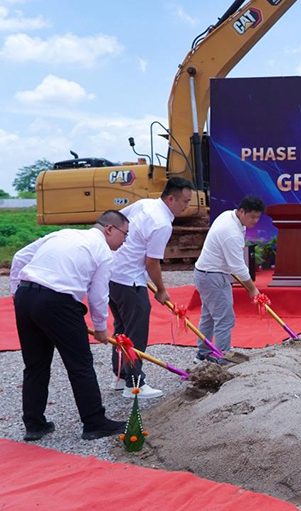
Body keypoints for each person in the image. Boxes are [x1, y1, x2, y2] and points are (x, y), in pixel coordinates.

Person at [10, 210, 130, 441]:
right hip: (58, 301)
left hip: (26, 296)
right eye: (125, 234)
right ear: (110, 229)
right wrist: (101, 327)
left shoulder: (62, 234)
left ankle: (34, 424)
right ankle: (94, 422)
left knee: (35, 364)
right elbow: (98, 295)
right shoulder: (103, 252)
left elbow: (20, 257)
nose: (125, 241)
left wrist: (16, 290)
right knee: (80, 364)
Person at [109, 177, 194, 399]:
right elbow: (152, 262)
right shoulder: (162, 224)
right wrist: (161, 289)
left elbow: (117, 220)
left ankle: (120, 376)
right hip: (130, 280)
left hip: (112, 275)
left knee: (121, 329)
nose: (186, 206)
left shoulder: (145, 203)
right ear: (171, 198)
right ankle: (134, 383)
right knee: (135, 333)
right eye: (184, 201)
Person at [194, 195, 264, 363]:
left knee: (209, 315)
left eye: (258, 217)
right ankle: (222, 358)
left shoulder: (228, 215)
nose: (255, 220)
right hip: (213, 276)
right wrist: (252, 288)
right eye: (252, 216)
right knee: (224, 318)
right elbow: (238, 267)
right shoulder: (231, 232)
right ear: (241, 212)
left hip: (205, 273)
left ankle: (204, 353)